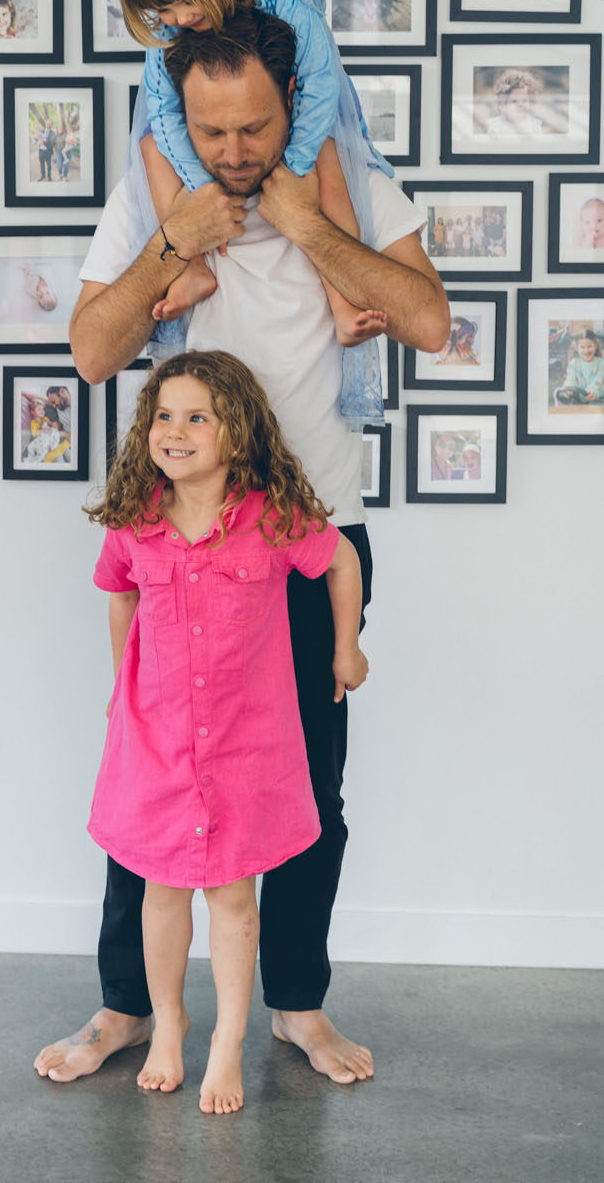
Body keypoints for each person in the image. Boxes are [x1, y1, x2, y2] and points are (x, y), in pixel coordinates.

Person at [34, 5, 449, 1090]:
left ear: (293, 104)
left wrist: (311, 228)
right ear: (180, 115)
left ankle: (296, 1008)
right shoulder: (154, 193)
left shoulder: (348, 174)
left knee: (309, 783)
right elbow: (87, 352)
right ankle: (129, 1004)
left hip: (303, 538)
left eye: (254, 128)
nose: (232, 153)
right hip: (180, 535)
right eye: (211, 131)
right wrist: (177, 242)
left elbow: (429, 320)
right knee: (151, 779)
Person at [86, 350, 366, 1113]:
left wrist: (347, 648)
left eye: (197, 417)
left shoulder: (272, 517)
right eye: (163, 417)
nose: (175, 431)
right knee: (160, 891)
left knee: (234, 901)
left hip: (247, 748)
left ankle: (228, 1043)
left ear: (236, 433)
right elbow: (120, 600)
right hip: (159, 744)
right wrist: (123, 687)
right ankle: (168, 1024)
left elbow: (341, 560)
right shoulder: (135, 523)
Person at [112, 0, 396, 422]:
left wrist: (297, 161)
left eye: (179, 5)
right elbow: (167, 117)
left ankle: (341, 299)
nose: (175, 20)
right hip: (203, 132)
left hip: (307, 114)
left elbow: (317, 85)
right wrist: (203, 189)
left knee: (326, 167)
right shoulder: (172, 31)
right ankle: (191, 267)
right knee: (151, 146)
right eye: (162, 12)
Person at [554, 330, 604, 405]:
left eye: (589, 346)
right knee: (557, 392)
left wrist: (592, 391)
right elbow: (570, 379)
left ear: (595, 346)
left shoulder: (601, 362)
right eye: (582, 347)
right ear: (577, 348)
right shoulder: (574, 363)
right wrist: (568, 390)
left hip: (597, 401)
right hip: (578, 401)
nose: (586, 350)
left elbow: (599, 380)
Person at [485, 69, 544, 138]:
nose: (520, 104)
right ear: (504, 103)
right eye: (514, 101)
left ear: (531, 101)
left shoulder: (534, 125)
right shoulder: (495, 125)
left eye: (524, 100)